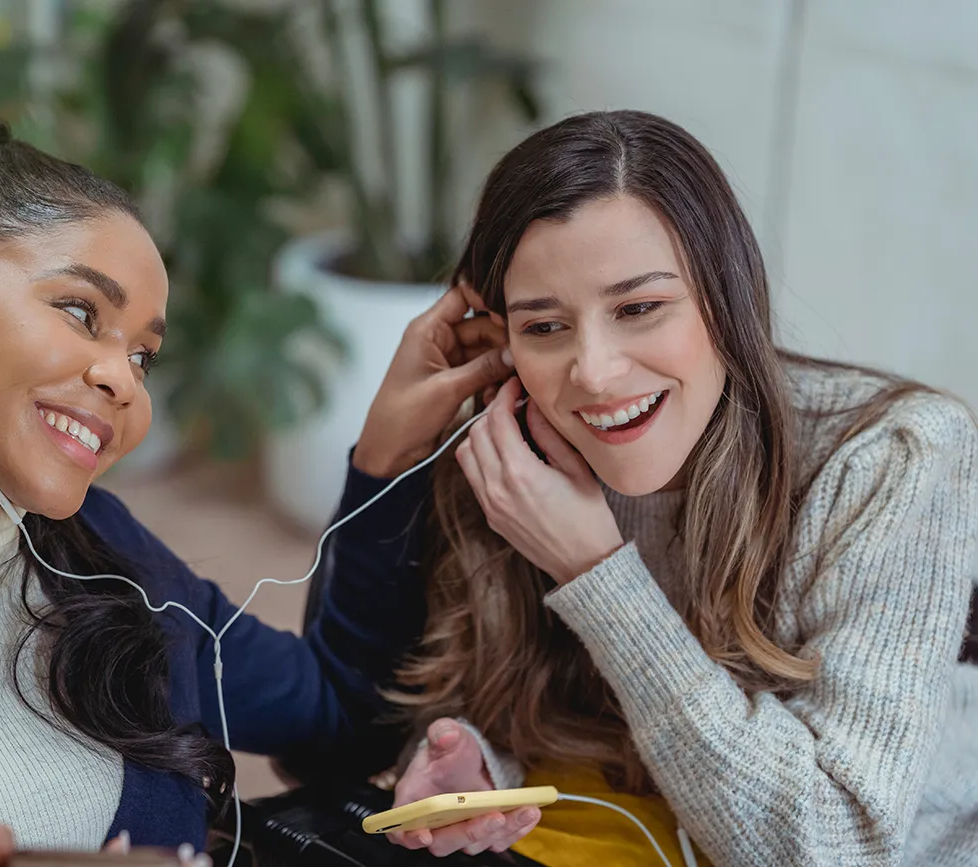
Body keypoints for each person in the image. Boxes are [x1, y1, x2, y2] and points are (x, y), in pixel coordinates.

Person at [0, 115, 516, 866]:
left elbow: (337, 715)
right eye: (81, 312)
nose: (123, 380)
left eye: (144, 355)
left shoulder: (113, 567)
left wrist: (384, 454)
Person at [338, 110, 978, 866]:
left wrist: (597, 575)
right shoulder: (514, 453)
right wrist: (479, 758)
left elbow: (828, 846)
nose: (595, 373)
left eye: (639, 308)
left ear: (724, 297)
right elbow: (361, 721)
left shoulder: (894, 455)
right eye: (544, 327)